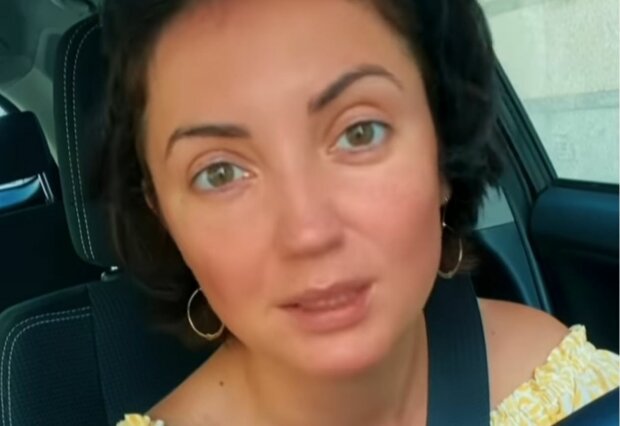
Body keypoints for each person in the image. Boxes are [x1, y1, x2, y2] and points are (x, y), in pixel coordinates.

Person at [101, 0, 619, 425]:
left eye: (359, 133)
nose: (308, 232)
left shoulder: (560, 386)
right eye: (219, 173)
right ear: (165, 220)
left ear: (443, 152)